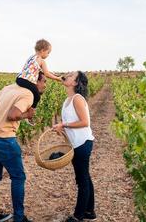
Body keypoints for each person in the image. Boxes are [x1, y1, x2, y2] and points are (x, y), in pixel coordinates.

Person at [0, 72, 47, 222]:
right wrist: (27, 115)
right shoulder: (28, 94)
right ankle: (19, 218)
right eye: (43, 81)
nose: (45, 85)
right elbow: (13, 115)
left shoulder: (9, 87)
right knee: (18, 177)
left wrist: (5, 103)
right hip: (4, 139)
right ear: (34, 81)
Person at [53, 71, 96, 222]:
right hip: (76, 144)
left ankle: (78, 216)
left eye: (71, 75)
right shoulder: (67, 100)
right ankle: (90, 211)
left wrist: (64, 124)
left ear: (75, 83)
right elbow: (73, 123)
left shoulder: (77, 99)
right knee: (84, 176)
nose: (67, 75)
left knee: (82, 179)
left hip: (83, 143)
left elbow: (85, 122)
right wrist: (62, 128)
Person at [16, 39, 62, 110]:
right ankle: (30, 112)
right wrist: (57, 78)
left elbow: (41, 71)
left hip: (19, 79)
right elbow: (46, 73)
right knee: (37, 96)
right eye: (48, 52)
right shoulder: (42, 61)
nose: (48, 55)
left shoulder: (31, 57)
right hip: (27, 81)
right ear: (43, 50)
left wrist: (54, 74)